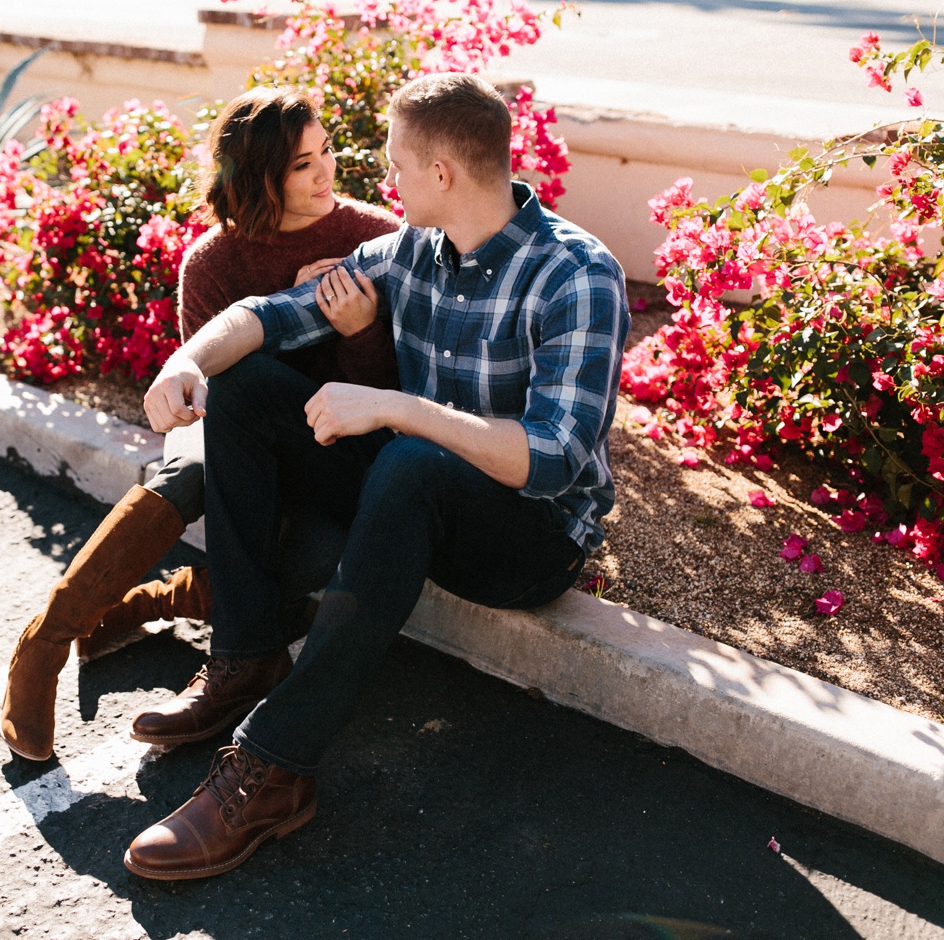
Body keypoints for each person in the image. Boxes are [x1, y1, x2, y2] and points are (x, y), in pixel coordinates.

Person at [122, 72, 630, 880]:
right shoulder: (411, 251)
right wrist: (185, 360)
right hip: (414, 491)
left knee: (411, 458)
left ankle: (274, 768)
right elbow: (267, 318)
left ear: (442, 175)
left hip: (528, 538)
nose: (383, 178)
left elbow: (550, 459)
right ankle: (248, 654)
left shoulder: (575, 274)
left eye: (396, 163)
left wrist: (396, 408)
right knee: (245, 384)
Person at [0, 86, 402, 763]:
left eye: (327, 151)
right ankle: (46, 642)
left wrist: (355, 330)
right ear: (259, 178)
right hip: (245, 463)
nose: (327, 173)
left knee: (318, 556)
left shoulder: (373, 236)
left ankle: (162, 600)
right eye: (303, 165)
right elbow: (227, 404)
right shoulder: (213, 264)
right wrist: (291, 307)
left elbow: (388, 398)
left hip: (339, 456)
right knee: (189, 464)